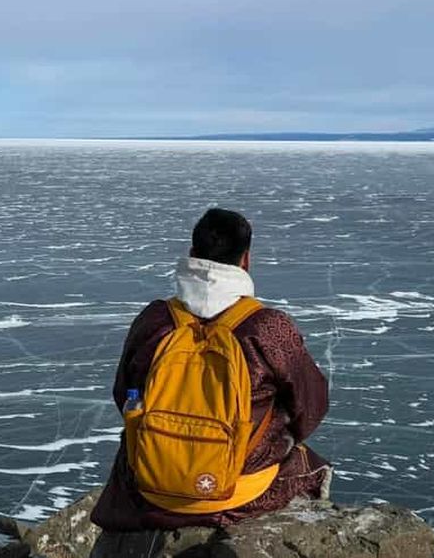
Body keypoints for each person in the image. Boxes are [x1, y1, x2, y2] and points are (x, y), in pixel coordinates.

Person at [89, 208, 330, 553]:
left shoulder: (154, 320)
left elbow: (123, 395)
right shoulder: (268, 328)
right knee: (310, 464)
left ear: (191, 255)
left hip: (150, 486)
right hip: (238, 490)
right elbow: (311, 404)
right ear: (246, 259)